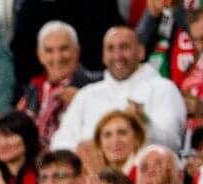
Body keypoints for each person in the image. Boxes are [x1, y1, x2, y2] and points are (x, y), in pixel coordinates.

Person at [50, 25, 186, 151]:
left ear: (141, 52)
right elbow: (61, 143)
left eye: (124, 47)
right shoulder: (87, 94)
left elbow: (173, 143)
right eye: (111, 49)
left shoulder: (163, 89)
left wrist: (144, 123)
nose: (117, 56)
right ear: (103, 56)